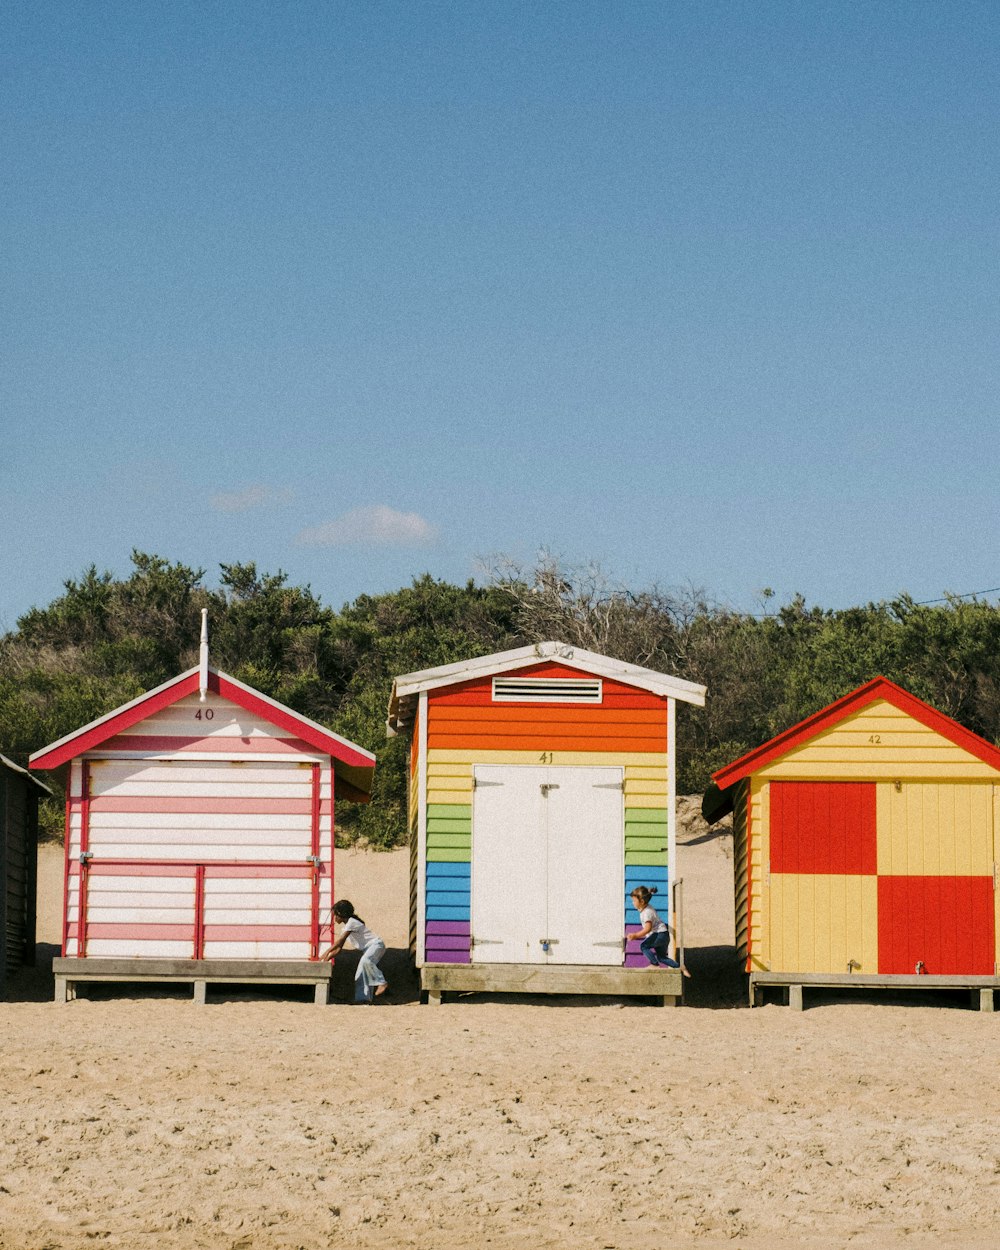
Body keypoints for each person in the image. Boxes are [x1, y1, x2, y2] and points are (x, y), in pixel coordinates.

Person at [320, 899, 388, 1004]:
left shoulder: (352, 922)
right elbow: (339, 948)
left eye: (335, 915)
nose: (335, 918)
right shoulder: (347, 927)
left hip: (376, 945)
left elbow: (339, 941)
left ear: (340, 914)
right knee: (360, 973)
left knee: (366, 961)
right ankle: (363, 999)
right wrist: (328, 957)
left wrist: (326, 952)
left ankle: (381, 982)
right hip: (368, 948)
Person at [627, 886, 691, 978]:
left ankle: (654, 964)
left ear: (641, 902)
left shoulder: (646, 913)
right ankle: (680, 967)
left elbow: (648, 928)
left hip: (659, 934)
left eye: (634, 901)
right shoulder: (647, 908)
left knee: (643, 946)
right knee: (662, 958)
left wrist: (635, 935)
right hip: (664, 935)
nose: (633, 903)